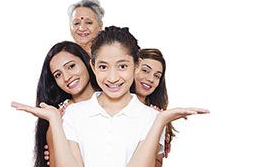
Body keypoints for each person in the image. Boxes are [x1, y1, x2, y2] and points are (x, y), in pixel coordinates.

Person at [11, 26, 210, 167]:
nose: (113, 78)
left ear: (136, 66)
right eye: (103, 67)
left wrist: (160, 122)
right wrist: (55, 120)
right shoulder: (74, 114)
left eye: (122, 66)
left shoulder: (151, 117)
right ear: (93, 67)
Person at [33, 41, 99, 167]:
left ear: (86, 62)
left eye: (71, 66)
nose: (67, 77)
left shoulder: (114, 99)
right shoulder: (58, 119)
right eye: (58, 75)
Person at [134, 48, 177, 162]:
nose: (151, 79)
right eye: (145, 70)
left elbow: (157, 163)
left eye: (157, 76)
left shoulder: (156, 116)